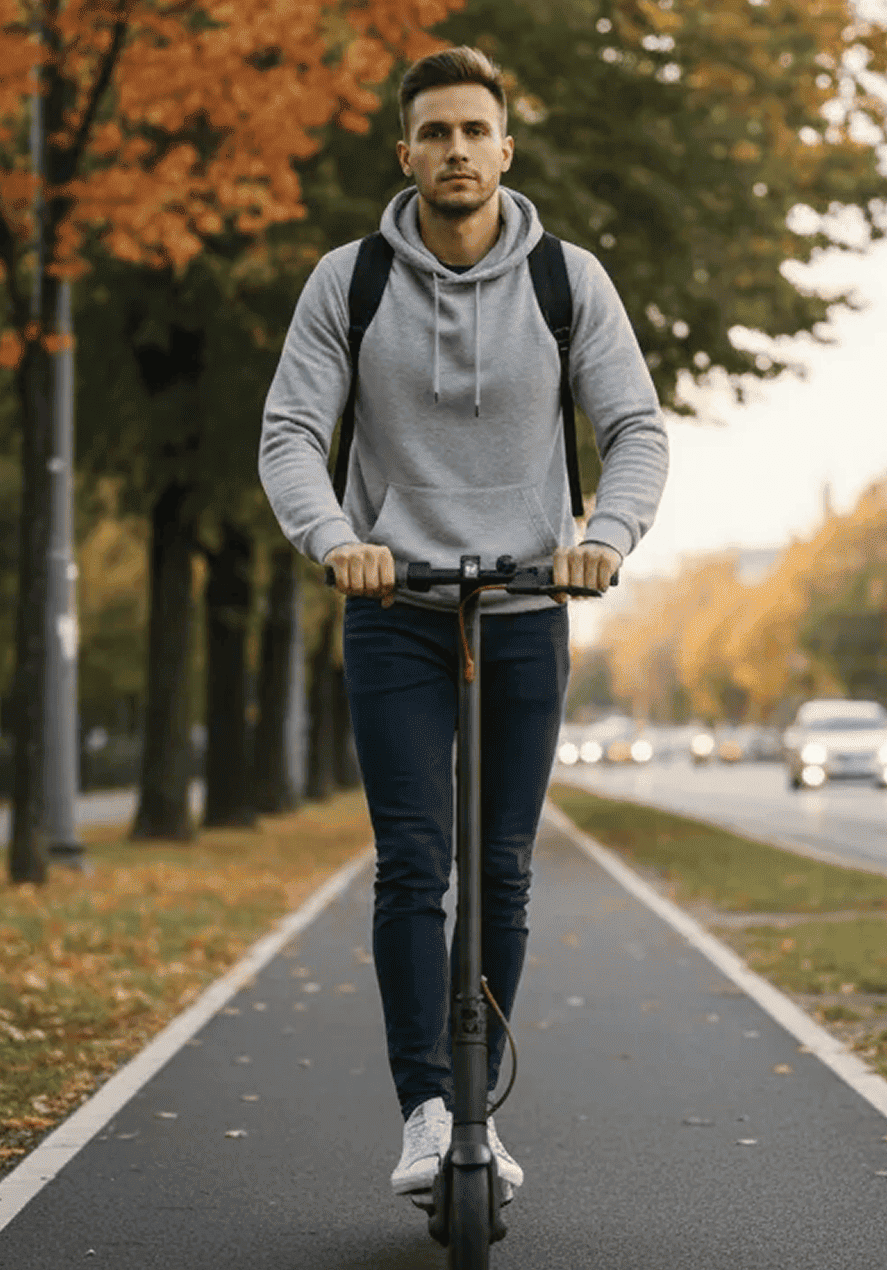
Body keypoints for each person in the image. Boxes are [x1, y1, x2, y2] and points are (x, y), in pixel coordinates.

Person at [258, 45, 668, 1208]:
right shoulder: (351, 282)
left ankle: (477, 1099)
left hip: (531, 605)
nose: (455, 152)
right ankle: (426, 1109)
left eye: (473, 132)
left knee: (504, 868)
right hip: (395, 611)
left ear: (504, 149)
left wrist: (609, 535)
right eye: (433, 134)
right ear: (406, 155)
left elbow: (636, 427)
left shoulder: (567, 283)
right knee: (412, 868)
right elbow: (291, 431)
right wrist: (337, 539)